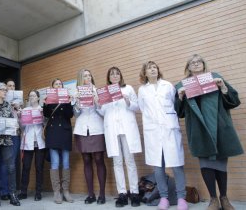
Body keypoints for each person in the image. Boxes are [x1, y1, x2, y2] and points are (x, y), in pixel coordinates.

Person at [174, 54, 243, 210]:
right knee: (206, 165)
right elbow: (179, 112)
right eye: (192, 63)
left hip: (219, 128)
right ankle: (213, 199)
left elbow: (234, 101)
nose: (196, 64)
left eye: (199, 62)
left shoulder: (215, 78)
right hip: (199, 131)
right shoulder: (181, 85)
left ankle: (224, 198)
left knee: (221, 164)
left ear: (204, 65)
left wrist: (223, 87)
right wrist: (180, 96)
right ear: (188, 67)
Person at [137, 61, 188, 210]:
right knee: (158, 167)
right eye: (149, 68)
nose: (152, 70)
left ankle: (181, 198)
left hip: (170, 129)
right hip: (153, 131)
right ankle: (164, 198)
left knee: (177, 165)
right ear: (144, 73)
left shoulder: (168, 86)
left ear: (158, 71)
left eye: (154, 68)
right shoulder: (142, 90)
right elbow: (142, 108)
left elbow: (176, 104)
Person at [98, 67, 141, 207]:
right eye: (112, 74)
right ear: (109, 77)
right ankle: (122, 193)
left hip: (126, 128)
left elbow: (137, 106)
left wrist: (128, 101)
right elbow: (103, 112)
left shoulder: (127, 88)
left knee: (130, 161)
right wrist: (98, 104)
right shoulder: (105, 92)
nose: (115, 76)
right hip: (112, 129)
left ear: (120, 76)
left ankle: (134, 193)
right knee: (117, 162)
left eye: (117, 73)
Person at [73, 69, 106, 204]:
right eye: (85, 76)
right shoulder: (76, 92)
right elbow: (76, 114)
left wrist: (97, 101)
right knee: (86, 160)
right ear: (81, 79)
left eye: (89, 75)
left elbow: (103, 112)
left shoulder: (97, 91)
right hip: (82, 128)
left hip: (96, 127)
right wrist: (76, 102)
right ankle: (91, 194)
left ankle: (102, 194)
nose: (88, 77)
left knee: (99, 159)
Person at [43, 78, 74, 204]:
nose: (58, 85)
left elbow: (69, 115)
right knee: (55, 162)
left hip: (65, 132)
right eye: (56, 84)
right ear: (52, 87)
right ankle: (57, 191)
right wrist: (45, 104)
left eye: (60, 84)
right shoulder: (49, 99)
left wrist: (69, 103)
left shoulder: (66, 99)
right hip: (53, 132)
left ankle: (66, 191)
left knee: (66, 162)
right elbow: (45, 115)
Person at [18, 90, 45, 201]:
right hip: (27, 142)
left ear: (38, 98)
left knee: (39, 168)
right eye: (30, 96)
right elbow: (22, 127)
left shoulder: (42, 109)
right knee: (26, 167)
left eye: (34, 95)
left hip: (40, 142)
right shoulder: (25, 110)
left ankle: (38, 192)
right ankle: (23, 191)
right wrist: (20, 117)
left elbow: (45, 124)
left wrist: (43, 115)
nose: (32, 97)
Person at [0, 79, 21, 200]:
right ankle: (3, 191)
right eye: (9, 86)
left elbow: (23, 122)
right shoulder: (1, 101)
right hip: (5, 135)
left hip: (15, 134)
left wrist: (18, 109)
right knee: (3, 162)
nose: (11, 88)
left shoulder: (18, 103)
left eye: (13, 86)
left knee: (12, 163)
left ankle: (12, 190)